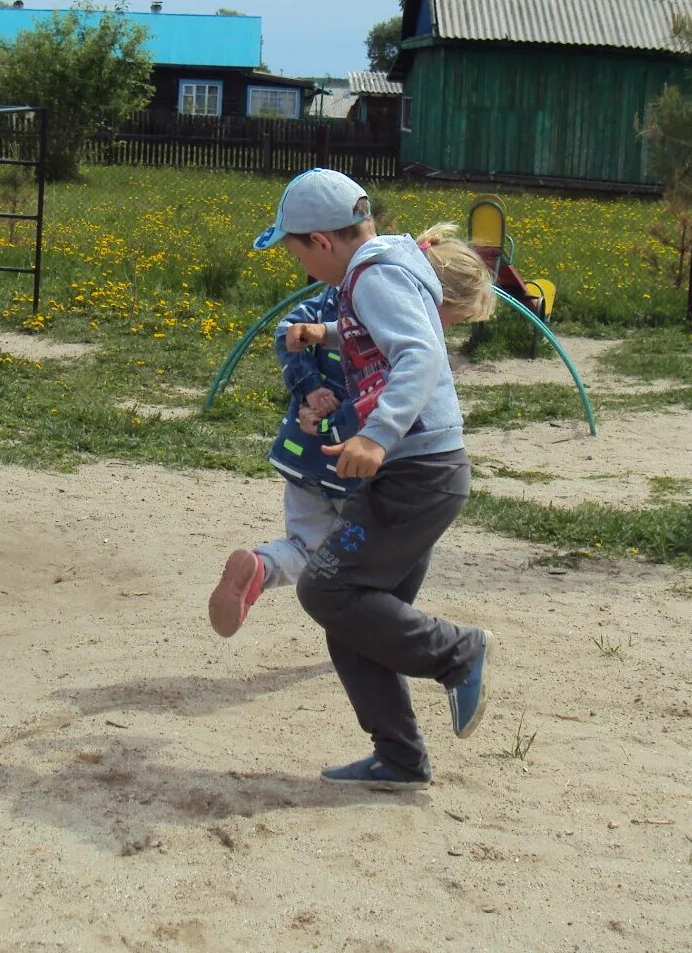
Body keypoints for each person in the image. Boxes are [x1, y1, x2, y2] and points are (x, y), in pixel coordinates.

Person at [249, 167, 494, 791]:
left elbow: (418, 351)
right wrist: (324, 331)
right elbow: (384, 330)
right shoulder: (387, 263)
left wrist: (374, 435)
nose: (302, 268)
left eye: (297, 251)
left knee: (327, 592)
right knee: (353, 618)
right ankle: (401, 760)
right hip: (424, 474)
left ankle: (456, 652)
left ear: (322, 243)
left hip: (416, 472)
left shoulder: (373, 274)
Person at [209, 227, 497, 638]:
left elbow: (288, 331)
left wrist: (308, 390)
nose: (444, 329)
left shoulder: (339, 297)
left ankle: (262, 564)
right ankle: (384, 630)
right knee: (362, 564)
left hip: (304, 451)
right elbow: (394, 384)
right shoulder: (393, 318)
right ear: (432, 296)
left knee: (307, 546)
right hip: (352, 461)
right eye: (451, 319)